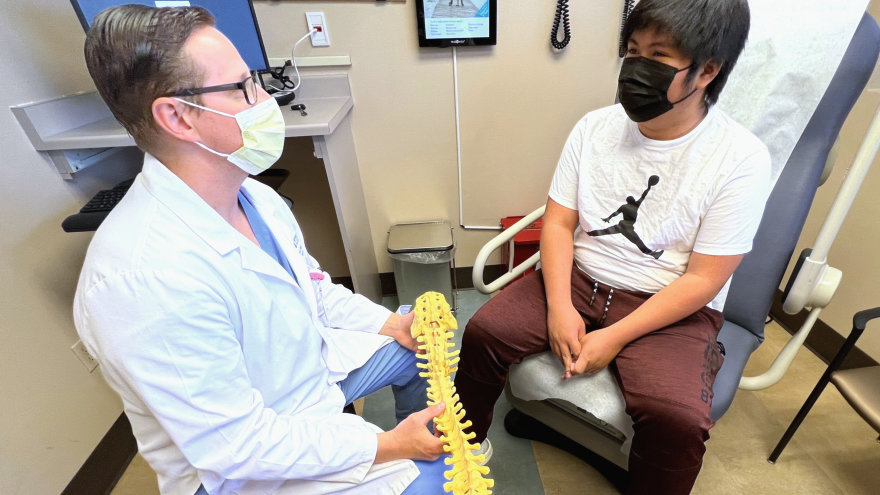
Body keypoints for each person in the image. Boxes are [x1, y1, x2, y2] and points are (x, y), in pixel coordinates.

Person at [72, 5, 449, 495]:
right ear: (177, 116)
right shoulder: (143, 280)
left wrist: (394, 325)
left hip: (307, 378)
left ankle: (412, 432)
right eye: (243, 86)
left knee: (426, 347)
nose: (264, 98)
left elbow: (314, 288)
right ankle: (412, 456)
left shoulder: (256, 198)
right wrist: (390, 448)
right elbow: (238, 446)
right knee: (440, 482)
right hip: (247, 464)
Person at [453, 0, 769, 493]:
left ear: (707, 70)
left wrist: (616, 335)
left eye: (657, 56)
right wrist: (559, 306)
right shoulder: (594, 128)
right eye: (631, 51)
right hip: (579, 279)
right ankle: (462, 442)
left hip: (666, 305)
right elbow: (558, 225)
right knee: (483, 332)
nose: (635, 69)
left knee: (676, 419)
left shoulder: (741, 159)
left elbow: (705, 279)